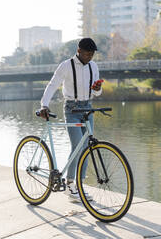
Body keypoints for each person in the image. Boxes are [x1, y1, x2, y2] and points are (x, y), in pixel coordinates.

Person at [39, 38, 102, 202]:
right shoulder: (66, 65)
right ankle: (70, 184)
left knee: (87, 146)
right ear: (79, 50)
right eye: (87, 54)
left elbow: (97, 93)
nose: (90, 57)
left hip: (87, 107)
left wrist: (97, 88)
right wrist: (44, 105)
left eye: (92, 54)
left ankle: (79, 185)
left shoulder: (94, 66)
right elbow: (52, 85)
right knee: (77, 146)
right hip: (72, 109)